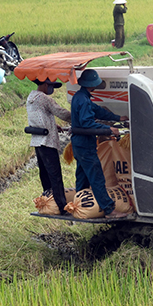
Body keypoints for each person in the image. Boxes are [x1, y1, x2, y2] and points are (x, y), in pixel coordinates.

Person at [71, 69, 129, 219]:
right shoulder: (83, 100)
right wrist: (108, 129)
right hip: (85, 144)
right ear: (93, 85)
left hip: (78, 144)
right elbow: (88, 124)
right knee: (96, 176)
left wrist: (118, 117)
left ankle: (79, 206)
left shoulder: (81, 97)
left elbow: (98, 111)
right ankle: (109, 210)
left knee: (82, 177)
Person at [26, 78, 71, 215]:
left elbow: (39, 116)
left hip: (37, 141)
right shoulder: (44, 98)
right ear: (45, 85)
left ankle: (48, 201)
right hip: (47, 142)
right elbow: (61, 112)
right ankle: (63, 207)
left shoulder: (31, 97)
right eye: (51, 86)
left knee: (44, 175)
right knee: (55, 176)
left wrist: (52, 124)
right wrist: (79, 118)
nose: (52, 89)